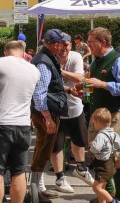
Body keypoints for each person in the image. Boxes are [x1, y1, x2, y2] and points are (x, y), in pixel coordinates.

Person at [0, 40, 40, 203]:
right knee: (18, 171)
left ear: (6, 52)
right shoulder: (34, 70)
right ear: (23, 52)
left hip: (0, 123)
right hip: (23, 124)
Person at [85, 27, 120, 203]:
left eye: (91, 42)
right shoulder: (95, 60)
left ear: (102, 42)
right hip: (98, 116)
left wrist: (103, 84)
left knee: (114, 157)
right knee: (99, 156)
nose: (88, 45)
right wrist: (83, 92)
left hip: (114, 115)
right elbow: (94, 86)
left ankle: (118, 197)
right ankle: (104, 197)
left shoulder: (118, 60)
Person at [30, 29, 72, 202]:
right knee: (43, 148)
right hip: (45, 112)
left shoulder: (48, 57)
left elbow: (53, 85)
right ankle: (36, 189)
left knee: (44, 148)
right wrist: (47, 117)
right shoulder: (43, 61)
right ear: (53, 44)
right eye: (61, 43)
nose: (64, 46)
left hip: (47, 110)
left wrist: (69, 89)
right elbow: (40, 93)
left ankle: (38, 186)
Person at [51, 34, 93, 194]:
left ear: (70, 45)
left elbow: (79, 78)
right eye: (60, 45)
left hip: (76, 107)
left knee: (81, 141)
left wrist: (59, 72)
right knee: (57, 146)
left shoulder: (75, 56)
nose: (63, 48)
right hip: (56, 109)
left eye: (66, 45)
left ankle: (81, 169)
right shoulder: (49, 56)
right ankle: (59, 177)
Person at [89, 108, 120, 203]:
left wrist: (92, 146)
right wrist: (113, 148)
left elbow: (96, 149)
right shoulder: (113, 133)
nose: (93, 125)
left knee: (96, 188)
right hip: (111, 163)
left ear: (99, 123)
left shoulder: (100, 135)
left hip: (103, 165)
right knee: (103, 187)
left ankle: (113, 201)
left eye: (94, 123)